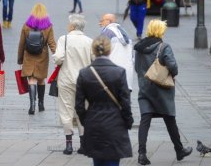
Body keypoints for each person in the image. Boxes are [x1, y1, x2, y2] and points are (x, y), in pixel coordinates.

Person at [134, 19, 192, 165]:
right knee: (170, 119)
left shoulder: (140, 48)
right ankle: (179, 150)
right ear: (160, 31)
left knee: (144, 121)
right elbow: (174, 67)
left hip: (145, 88)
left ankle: (142, 154)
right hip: (162, 90)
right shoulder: (164, 47)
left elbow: (136, 67)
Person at [76, 35, 133, 166]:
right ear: (110, 50)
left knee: (97, 161)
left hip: (93, 121)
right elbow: (125, 102)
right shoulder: (119, 72)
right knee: (112, 161)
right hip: (115, 122)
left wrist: (86, 120)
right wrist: (127, 121)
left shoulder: (84, 73)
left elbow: (79, 105)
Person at [53, 14, 93, 155]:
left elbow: (58, 59)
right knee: (83, 111)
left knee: (66, 109)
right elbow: (94, 61)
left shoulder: (64, 39)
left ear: (72, 26)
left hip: (66, 79)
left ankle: (69, 144)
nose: (67, 26)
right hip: (84, 81)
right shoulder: (89, 41)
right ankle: (84, 144)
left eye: (69, 24)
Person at [17, 3, 57, 115]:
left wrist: (20, 59)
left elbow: (21, 43)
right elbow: (51, 43)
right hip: (42, 56)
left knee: (32, 80)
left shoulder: (26, 25)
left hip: (28, 56)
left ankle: (32, 105)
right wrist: (58, 56)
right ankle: (41, 103)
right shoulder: (48, 26)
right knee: (40, 80)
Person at [99, 13, 135, 91]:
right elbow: (132, 58)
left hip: (112, 74)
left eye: (102, 20)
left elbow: (100, 53)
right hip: (127, 75)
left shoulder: (106, 33)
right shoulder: (125, 33)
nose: (100, 22)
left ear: (109, 21)